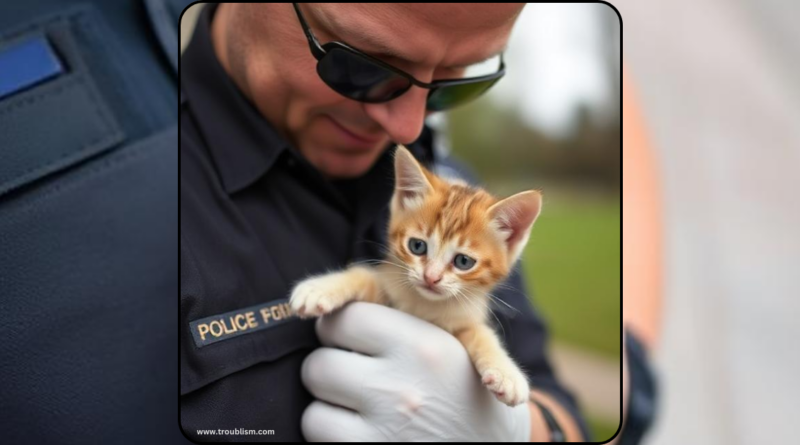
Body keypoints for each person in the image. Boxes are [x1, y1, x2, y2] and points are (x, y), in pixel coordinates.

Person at [180, 3, 593, 441]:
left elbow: (565, 411)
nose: (408, 129)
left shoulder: (454, 184)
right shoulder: (161, 192)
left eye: (453, 81)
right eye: (363, 62)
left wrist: (522, 431)